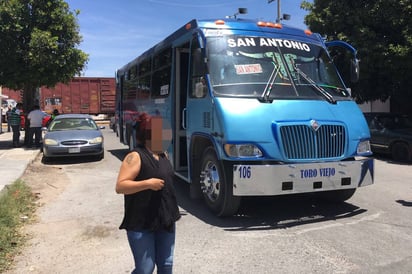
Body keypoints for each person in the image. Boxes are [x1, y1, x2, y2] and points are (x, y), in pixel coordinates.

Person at [116, 113, 180, 274]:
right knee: (145, 268)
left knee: (166, 265)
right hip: (141, 223)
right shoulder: (135, 156)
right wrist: (147, 184)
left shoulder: (163, 154)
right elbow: (120, 186)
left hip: (165, 220)